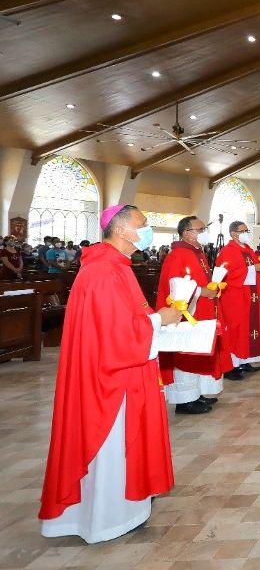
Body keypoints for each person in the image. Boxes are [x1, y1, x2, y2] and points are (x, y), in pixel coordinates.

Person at [39, 204, 181, 543]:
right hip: (111, 379)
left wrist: (157, 320)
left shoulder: (113, 265)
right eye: (142, 224)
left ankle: (120, 510)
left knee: (117, 447)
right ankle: (110, 517)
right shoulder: (104, 271)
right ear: (120, 230)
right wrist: (161, 319)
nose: (147, 230)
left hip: (114, 372)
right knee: (114, 446)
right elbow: (118, 334)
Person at [156, 216, 230, 415]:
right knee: (186, 352)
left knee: (199, 349)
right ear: (186, 233)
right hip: (187, 312)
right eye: (200, 229)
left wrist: (212, 287)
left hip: (202, 309)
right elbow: (175, 285)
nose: (204, 232)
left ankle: (197, 393)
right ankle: (184, 400)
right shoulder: (178, 254)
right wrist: (202, 291)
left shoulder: (197, 253)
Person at [216, 221, 260, 379]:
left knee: (247, 329)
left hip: (250, 296)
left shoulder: (248, 250)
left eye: (247, 230)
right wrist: (254, 269)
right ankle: (231, 366)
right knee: (236, 330)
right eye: (243, 230)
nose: (247, 233)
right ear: (233, 234)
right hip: (235, 297)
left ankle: (244, 360)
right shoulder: (227, 251)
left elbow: (255, 272)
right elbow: (226, 275)